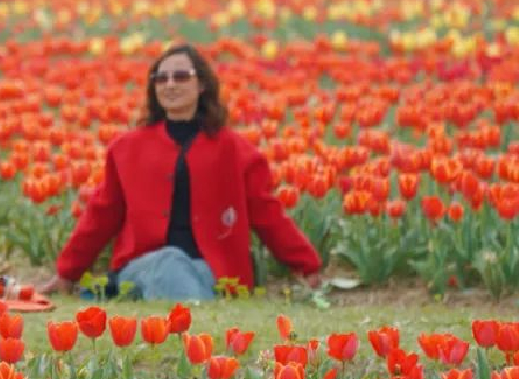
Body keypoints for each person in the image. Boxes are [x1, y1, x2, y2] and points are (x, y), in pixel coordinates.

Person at [38, 44, 323, 301]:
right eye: (161, 79)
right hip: (143, 266)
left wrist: (307, 266)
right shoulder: (126, 149)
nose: (170, 85)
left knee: (183, 270)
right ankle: (198, 317)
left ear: (202, 85)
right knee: (168, 261)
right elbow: (101, 215)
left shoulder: (237, 152)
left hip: (211, 271)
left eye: (181, 77)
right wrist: (67, 273)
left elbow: (268, 215)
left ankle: (192, 310)